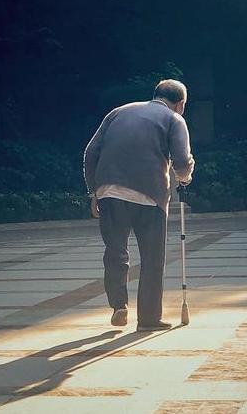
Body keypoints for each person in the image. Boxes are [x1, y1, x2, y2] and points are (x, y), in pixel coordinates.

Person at [83, 79, 194, 331]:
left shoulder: (117, 112)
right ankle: (149, 319)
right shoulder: (174, 119)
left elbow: (90, 152)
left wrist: (94, 192)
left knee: (116, 252)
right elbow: (181, 162)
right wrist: (186, 175)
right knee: (153, 258)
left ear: (155, 95)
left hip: (109, 191)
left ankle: (119, 305)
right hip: (150, 196)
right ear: (181, 104)